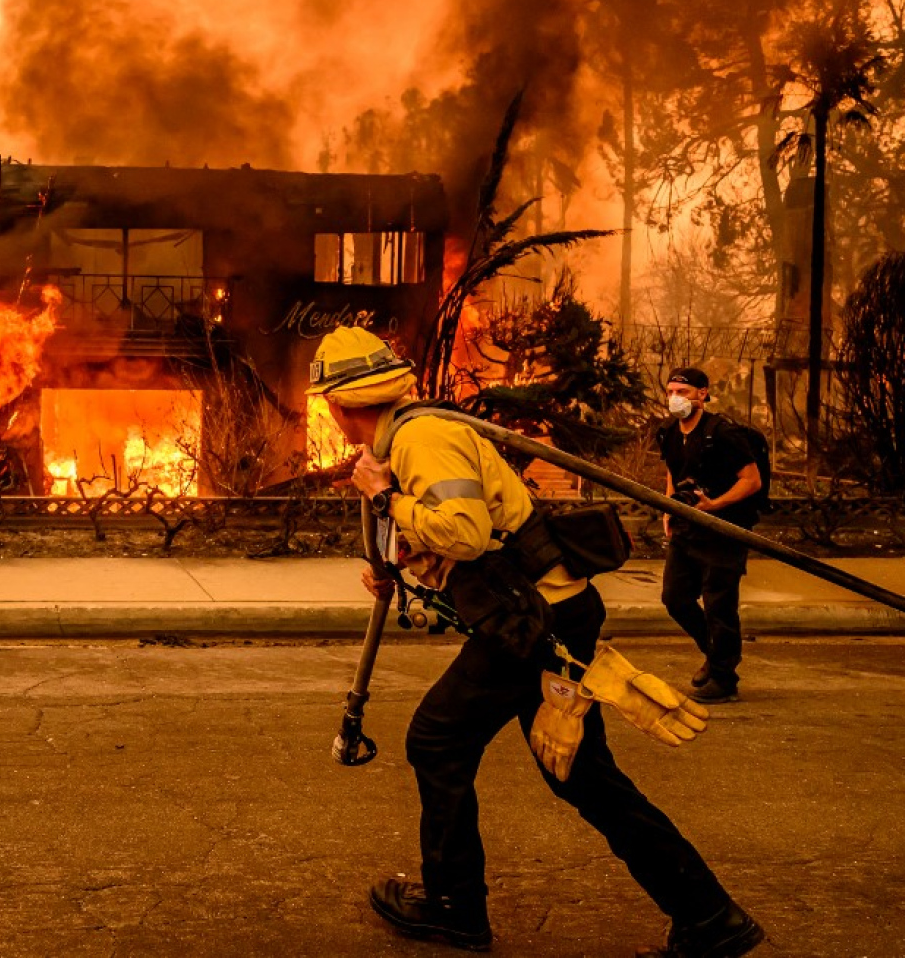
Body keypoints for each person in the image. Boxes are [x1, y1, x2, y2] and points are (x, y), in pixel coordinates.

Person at [308, 327, 763, 957]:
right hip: (548, 614)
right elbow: (471, 534)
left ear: (340, 404)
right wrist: (405, 555)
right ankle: (710, 916)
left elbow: (464, 533)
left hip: (534, 623)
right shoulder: (413, 435)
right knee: (581, 776)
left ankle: (453, 906)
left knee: (436, 739)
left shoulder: (421, 438)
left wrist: (383, 496)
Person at [655, 368, 763, 704]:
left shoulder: (723, 433)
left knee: (719, 604)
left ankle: (724, 678)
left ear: (703, 394)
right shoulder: (669, 432)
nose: (676, 398)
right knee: (675, 598)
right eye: (671, 391)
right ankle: (715, 655)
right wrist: (668, 508)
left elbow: (751, 480)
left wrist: (714, 505)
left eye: (683, 392)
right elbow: (674, 473)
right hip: (687, 529)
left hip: (724, 530)